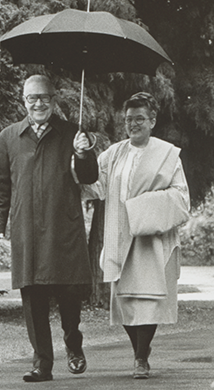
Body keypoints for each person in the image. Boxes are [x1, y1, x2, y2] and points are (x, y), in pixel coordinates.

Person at [0, 75, 98, 382]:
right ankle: (42, 364)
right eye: (32, 98)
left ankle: (73, 345)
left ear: (54, 100)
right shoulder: (9, 137)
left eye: (44, 98)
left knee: (69, 295)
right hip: (27, 230)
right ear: (23, 101)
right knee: (33, 298)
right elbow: (0, 187)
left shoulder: (72, 132)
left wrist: (82, 152)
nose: (38, 104)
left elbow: (89, 177)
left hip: (64, 228)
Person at [79, 92, 190, 379]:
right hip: (119, 235)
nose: (133, 124)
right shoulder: (113, 153)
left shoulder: (167, 154)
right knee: (125, 301)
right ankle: (138, 350)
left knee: (148, 301)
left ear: (152, 121)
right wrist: (82, 155)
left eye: (139, 119)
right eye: (128, 120)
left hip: (151, 238)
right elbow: (94, 185)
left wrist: (142, 209)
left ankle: (142, 356)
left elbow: (181, 198)